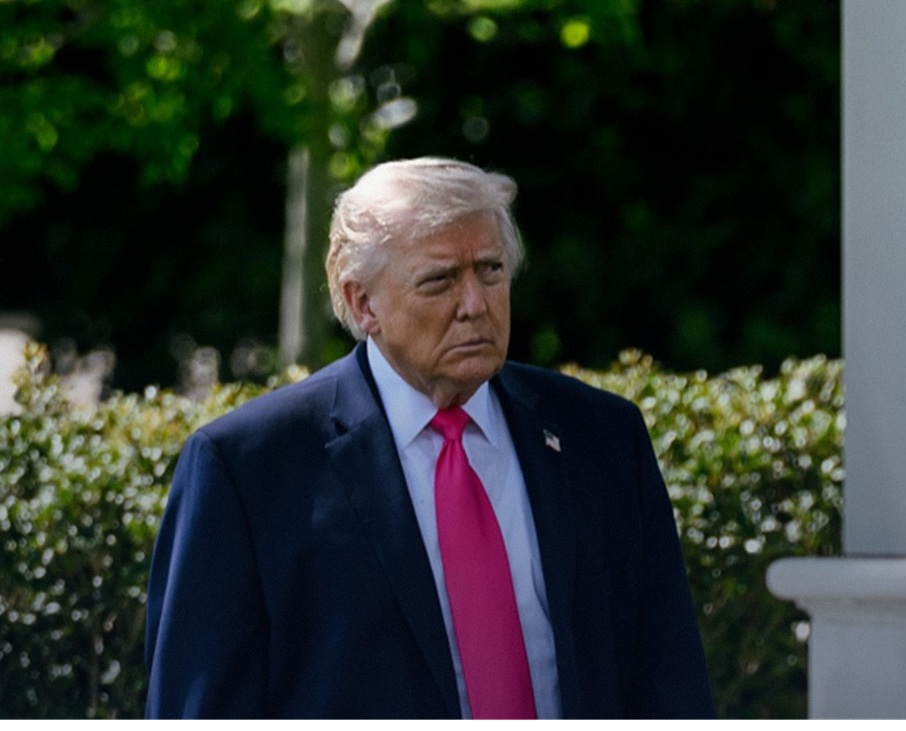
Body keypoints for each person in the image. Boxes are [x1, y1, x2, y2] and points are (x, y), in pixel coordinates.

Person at [143, 157, 715, 719]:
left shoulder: (601, 437)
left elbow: (670, 682)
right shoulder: (250, 468)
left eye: (490, 270)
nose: (475, 305)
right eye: (440, 280)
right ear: (364, 303)